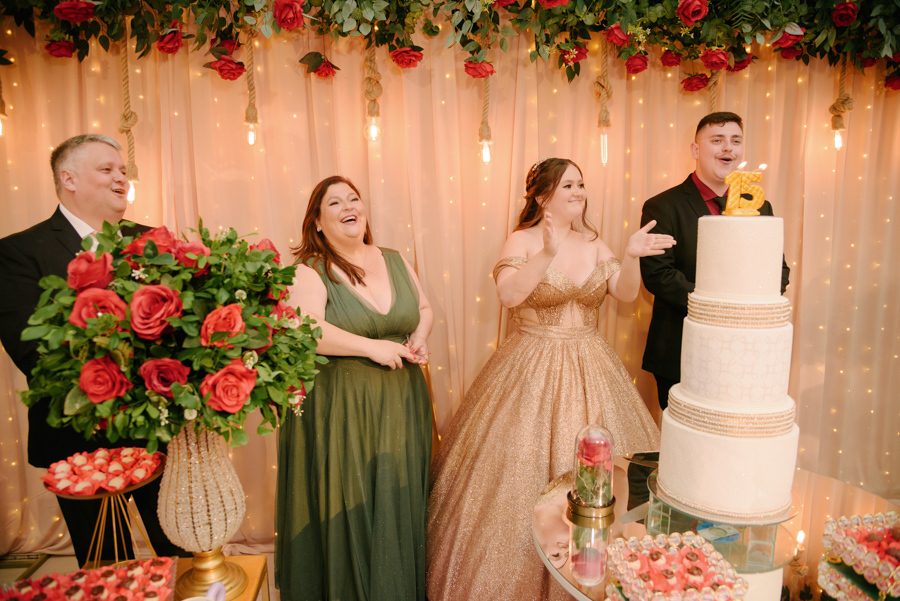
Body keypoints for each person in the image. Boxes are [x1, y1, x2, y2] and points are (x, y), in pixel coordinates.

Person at [426, 158, 669, 601]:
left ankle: (598, 579)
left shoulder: (595, 243)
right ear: (542, 196)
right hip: (531, 363)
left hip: (592, 361)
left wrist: (630, 255)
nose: (579, 191)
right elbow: (508, 295)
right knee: (516, 471)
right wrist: (547, 252)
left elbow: (628, 294)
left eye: (581, 184)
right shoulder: (521, 239)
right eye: (568, 185)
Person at [0, 134, 184, 565]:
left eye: (123, 170)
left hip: (161, 433)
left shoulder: (153, 242)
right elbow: (33, 354)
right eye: (107, 170)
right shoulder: (19, 252)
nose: (121, 178)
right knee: (108, 566)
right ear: (69, 178)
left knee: (182, 552)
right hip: (78, 438)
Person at [275, 175, 434, 601]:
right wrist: (372, 348)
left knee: (397, 499)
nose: (349, 206)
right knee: (353, 504)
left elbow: (422, 307)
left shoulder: (395, 259)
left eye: (354, 198)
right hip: (341, 407)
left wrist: (419, 336)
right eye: (335, 202)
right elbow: (305, 332)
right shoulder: (308, 272)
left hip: (402, 403)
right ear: (318, 223)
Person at [632, 112, 791, 509]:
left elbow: (779, 270)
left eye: (736, 140)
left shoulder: (762, 206)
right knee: (686, 456)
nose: (728, 148)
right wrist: (718, 309)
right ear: (696, 149)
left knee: (731, 457)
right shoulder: (664, 205)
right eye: (717, 139)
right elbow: (659, 276)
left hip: (745, 359)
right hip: (680, 349)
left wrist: (746, 306)